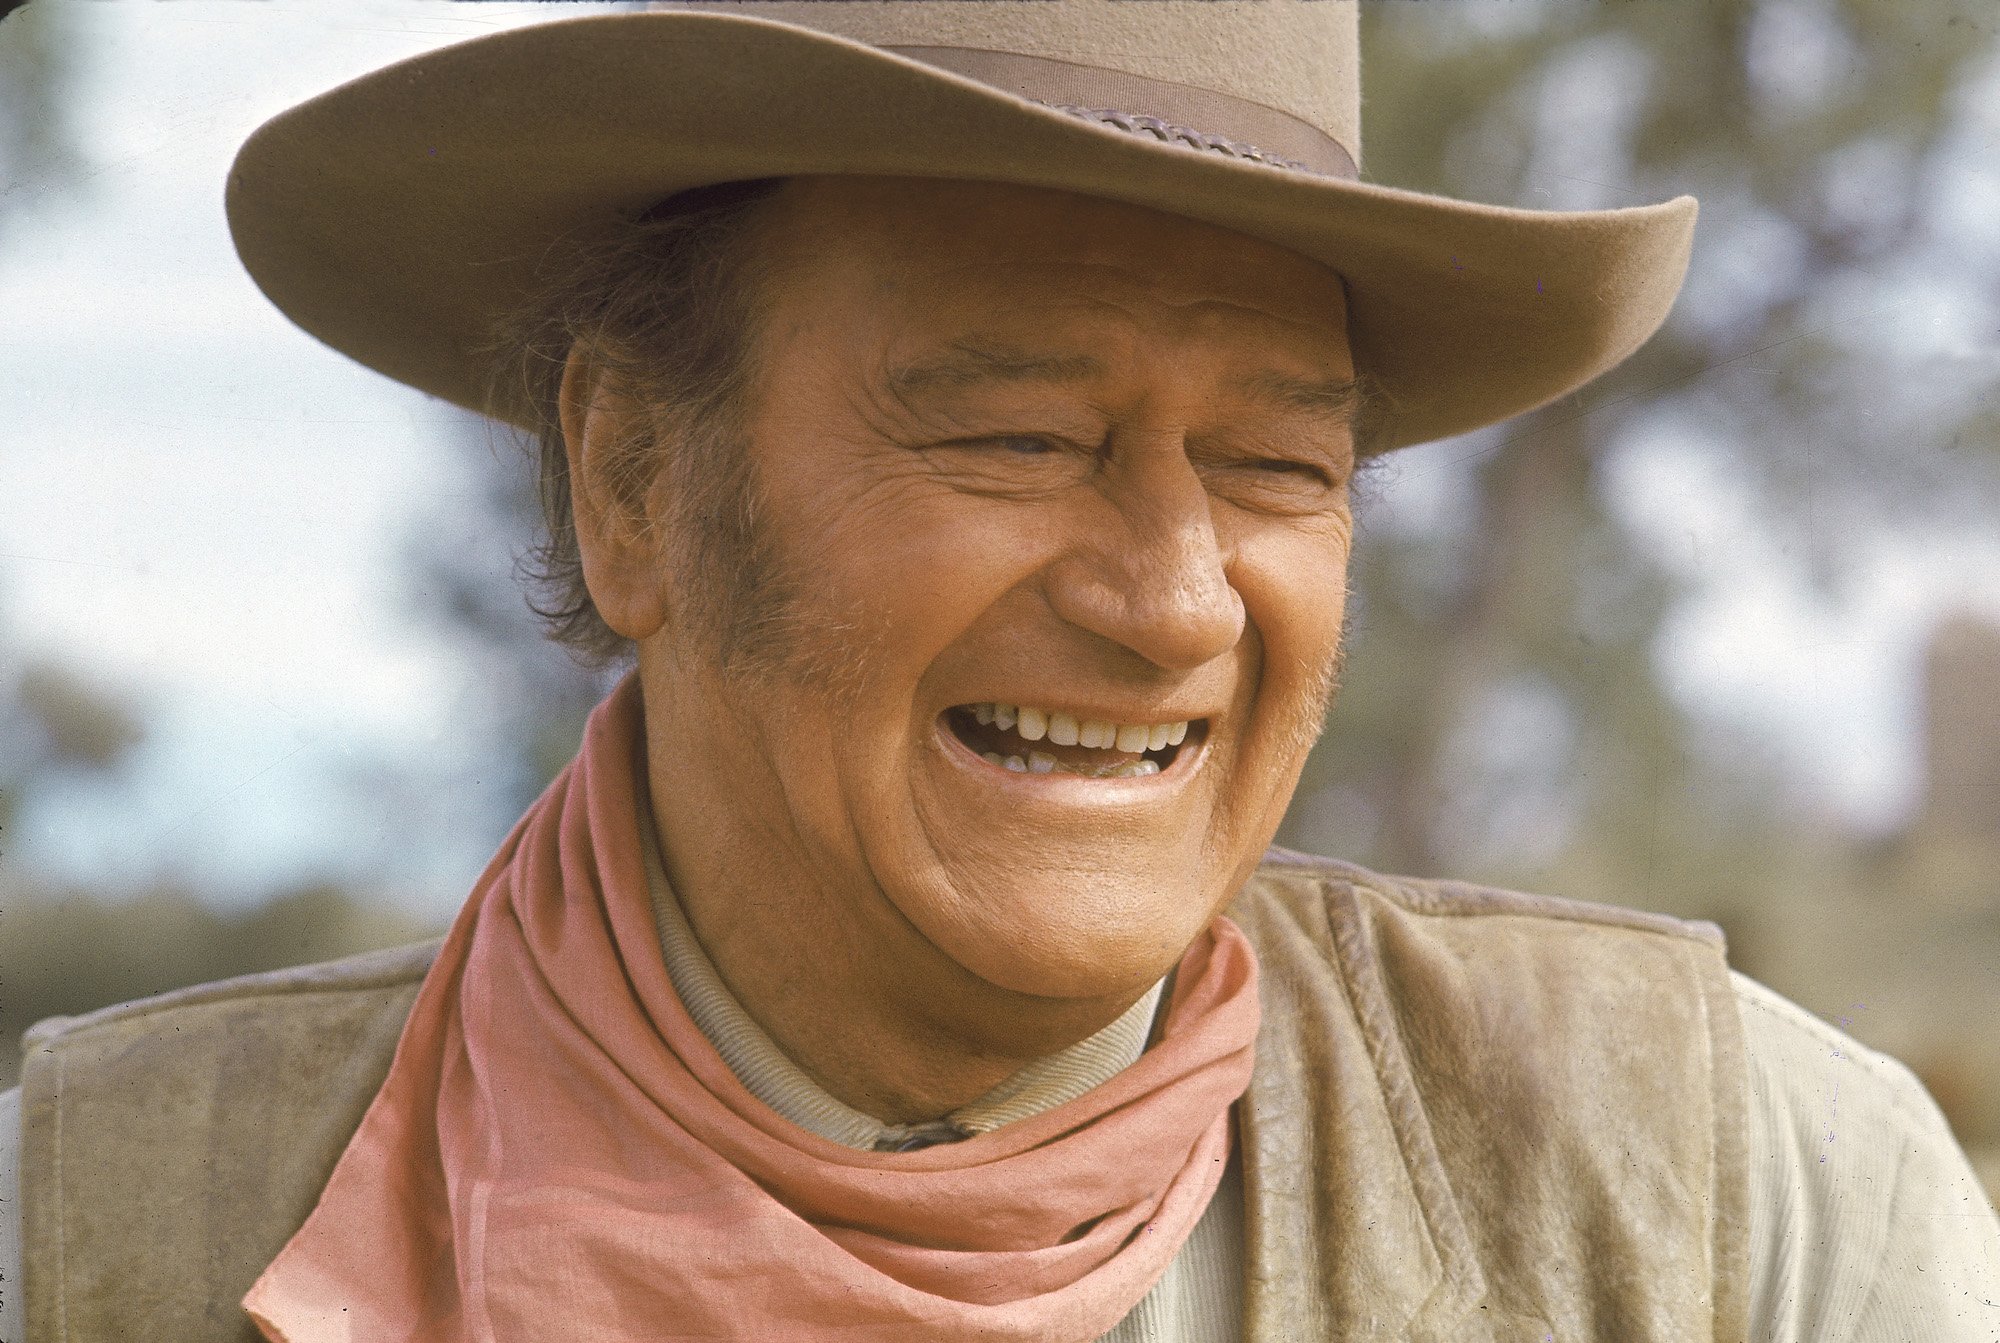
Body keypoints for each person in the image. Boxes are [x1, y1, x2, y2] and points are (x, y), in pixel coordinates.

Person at [3, 3, 1996, 1340]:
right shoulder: (96, 1235)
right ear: (633, 482)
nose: (1171, 600)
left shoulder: (1740, 1216)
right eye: (1018, 436)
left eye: (1276, 467)